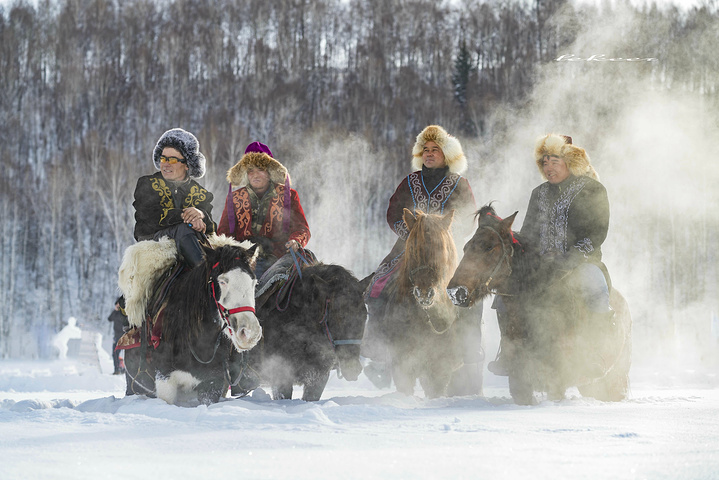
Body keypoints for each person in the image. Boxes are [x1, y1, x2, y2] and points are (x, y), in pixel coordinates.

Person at [364, 125, 482, 394]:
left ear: (447, 155)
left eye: (435, 150)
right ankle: (379, 352)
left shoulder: (458, 184)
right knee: (377, 286)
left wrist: (446, 234)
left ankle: (469, 348)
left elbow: (467, 215)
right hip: (409, 248)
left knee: (469, 292)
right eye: (425, 150)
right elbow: (394, 212)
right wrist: (410, 231)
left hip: (445, 251)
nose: (429, 154)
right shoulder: (410, 182)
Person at [488, 134, 613, 375]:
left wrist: (571, 257)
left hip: (581, 261)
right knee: (504, 294)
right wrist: (511, 242)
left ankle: (596, 354)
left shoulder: (593, 189)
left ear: (570, 162)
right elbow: (529, 232)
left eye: (554, 161)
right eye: (544, 162)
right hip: (540, 265)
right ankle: (509, 352)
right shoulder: (539, 193)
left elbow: (598, 232)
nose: (548, 167)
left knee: (595, 288)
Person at [217, 141, 311, 285]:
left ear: (270, 171)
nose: (255, 175)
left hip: (278, 257)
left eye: (260, 169)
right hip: (242, 258)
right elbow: (223, 234)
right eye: (250, 171)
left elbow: (302, 228)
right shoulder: (234, 198)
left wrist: (296, 241)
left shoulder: (288, 195)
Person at [133, 128, 216, 268]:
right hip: (154, 242)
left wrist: (201, 215)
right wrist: (186, 216)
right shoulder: (147, 183)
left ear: (187, 164)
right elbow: (147, 216)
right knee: (184, 228)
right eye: (163, 158)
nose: (165, 164)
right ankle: (204, 272)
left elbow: (211, 228)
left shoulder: (201, 193)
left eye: (172, 160)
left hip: (192, 243)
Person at [107, 297, 129, 375]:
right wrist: (115, 311)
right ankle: (117, 369)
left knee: (125, 353)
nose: (118, 306)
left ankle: (123, 369)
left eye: (119, 304)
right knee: (115, 353)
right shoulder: (115, 313)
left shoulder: (125, 313)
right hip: (116, 336)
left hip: (124, 336)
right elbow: (109, 319)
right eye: (117, 304)